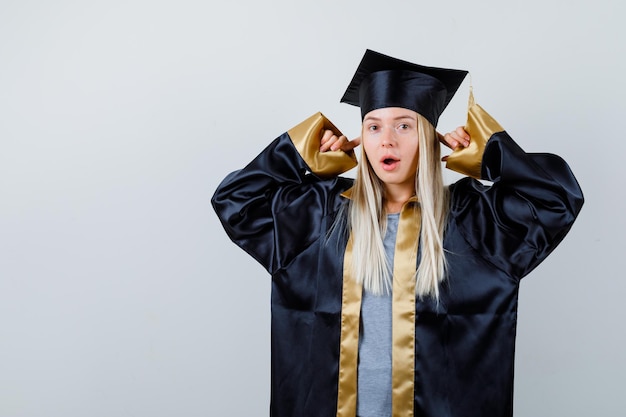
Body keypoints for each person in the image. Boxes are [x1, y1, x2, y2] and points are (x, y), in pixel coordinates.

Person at [211, 49, 584, 417]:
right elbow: (236, 201)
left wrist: (490, 153)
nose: (386, 140)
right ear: (362, 138)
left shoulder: (474, 221)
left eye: (404, 125)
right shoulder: (317, 215)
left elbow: (556, 198)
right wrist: (302, 152)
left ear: (428, 136)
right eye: (374, 127)